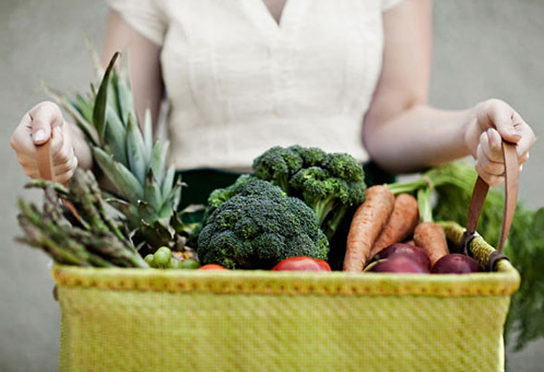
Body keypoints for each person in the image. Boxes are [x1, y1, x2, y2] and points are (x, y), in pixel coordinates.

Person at [10, 0, 535, 203]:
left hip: (354, 240)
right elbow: (116, 140)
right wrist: (59, 143)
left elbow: (392, 123)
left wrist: (471, 129)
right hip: (197, 235)